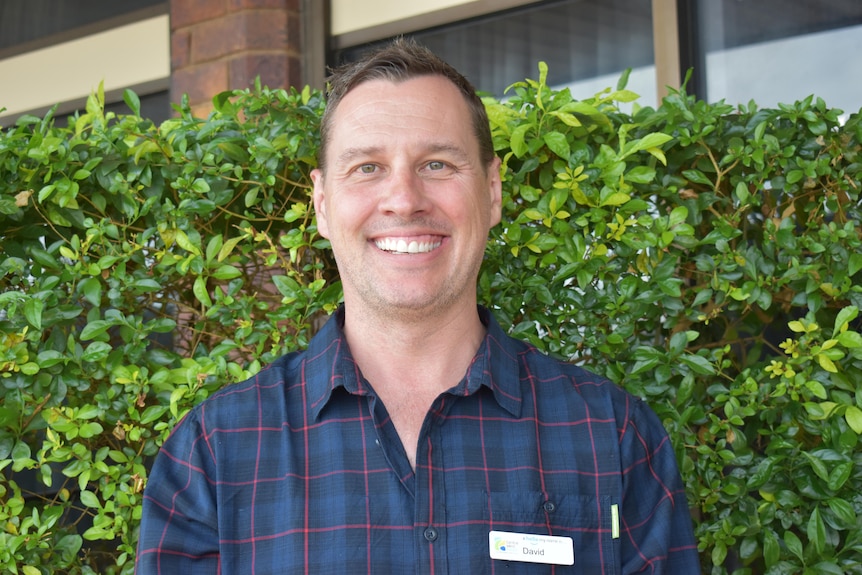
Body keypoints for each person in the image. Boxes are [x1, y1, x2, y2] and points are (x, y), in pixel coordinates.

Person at [135, 37, 700, 574]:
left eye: (437, 164)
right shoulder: (213, 455)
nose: (404, 200)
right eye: (367, 167)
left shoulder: (612, 435)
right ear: (323, 204)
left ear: (492, 191)